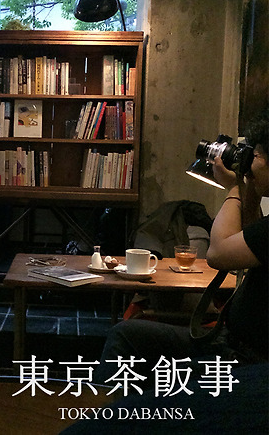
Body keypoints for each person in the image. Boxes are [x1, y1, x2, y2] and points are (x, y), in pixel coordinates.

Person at [95, 110, 268, 380]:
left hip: (248, 364)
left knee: (142, 360)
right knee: (126, 335)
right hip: (229, 343)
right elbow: (249, 237)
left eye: (255, 155)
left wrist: (234, 188)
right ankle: (114, 404)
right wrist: (249, 191)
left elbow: (218, 253)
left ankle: (120, 406)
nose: (249, 163)